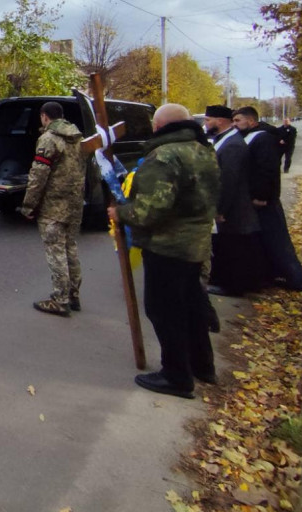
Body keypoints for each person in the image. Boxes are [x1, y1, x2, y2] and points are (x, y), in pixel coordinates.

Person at [109, 104, 220, 399]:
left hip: (167, 246)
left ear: (159, 127)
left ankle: (176, 376)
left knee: (165, 310)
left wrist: (121, 212)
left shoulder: (165, 155)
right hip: (195, 244)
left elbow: (150, 211)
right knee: (192, 306)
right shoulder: (202, 150)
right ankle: (202, 365)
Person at [18, 102, 86, 316]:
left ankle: (60, 299)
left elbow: (38, 175)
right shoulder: (78, 138)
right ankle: (74, 295)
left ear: (44, 116)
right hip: (74, 203)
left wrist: (28, 205)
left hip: (54, 205)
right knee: (70, 248)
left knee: (56, 251)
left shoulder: (49, 139)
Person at [233, 106, 302, 290]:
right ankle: (272, 274)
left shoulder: (262, 137)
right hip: (259, 198)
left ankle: (295, 279)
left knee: (277, 239)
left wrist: (261, 196)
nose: (235, 125)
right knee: (265, 240)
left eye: (238, 121)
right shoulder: (255, 136)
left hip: (265, 200)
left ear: (250, 121)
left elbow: (267, 170)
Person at [203, 105, 268, 296]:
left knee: (234, 248)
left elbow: (228, 179)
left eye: (208, 120)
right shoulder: (226, 140)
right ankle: (230, 282)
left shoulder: (232, 145)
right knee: (229, 246)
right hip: (232, 205)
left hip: (235, 208)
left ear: (220, 121)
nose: (205, 124)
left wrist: (220, 209)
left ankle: (232, 286)